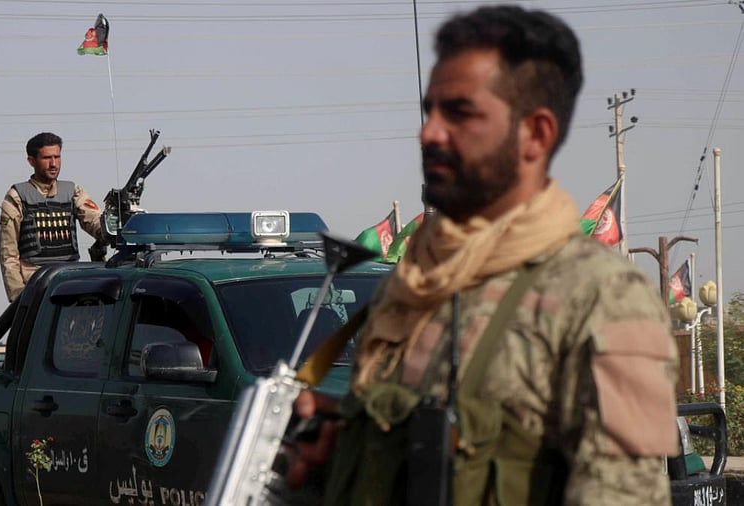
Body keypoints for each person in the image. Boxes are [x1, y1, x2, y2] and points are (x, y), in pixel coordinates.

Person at [287, 5, 679, 505]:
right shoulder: (410, 286)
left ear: (535, 134)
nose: (429, 132)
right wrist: (342, 450)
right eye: (430, 111)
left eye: (460, 112)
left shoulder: (605, 298)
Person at [0, 132, 104, 302]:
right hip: (34, 282)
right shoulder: (17, 196)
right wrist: (19, 296)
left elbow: (94, 220)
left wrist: (111, 229)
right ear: (31, 161)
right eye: (47, 158)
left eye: (57, 157)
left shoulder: (72, 191)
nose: (53, 164)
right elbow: (8, 254)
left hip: (69, 279)